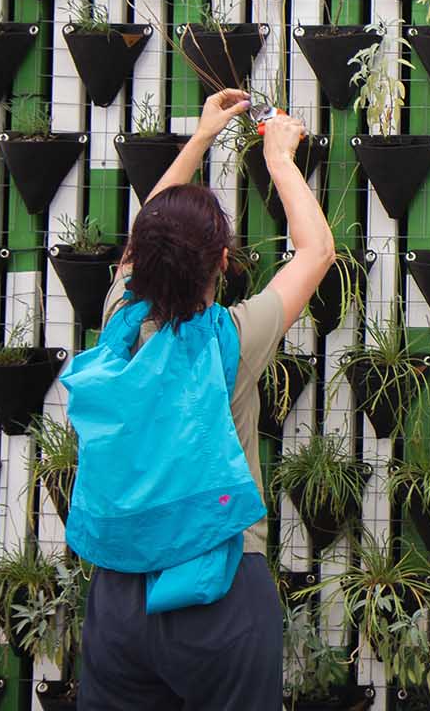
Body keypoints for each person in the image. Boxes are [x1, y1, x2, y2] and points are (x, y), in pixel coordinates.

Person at [64, 89, 335, 709]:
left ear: (138, 262)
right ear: (222, 260)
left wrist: (201, 137)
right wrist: (280, 160)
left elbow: (145, 236)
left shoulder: (119, 323)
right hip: (220, 590)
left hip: (120, 593)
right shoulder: (229, 343)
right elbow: (316, 251)